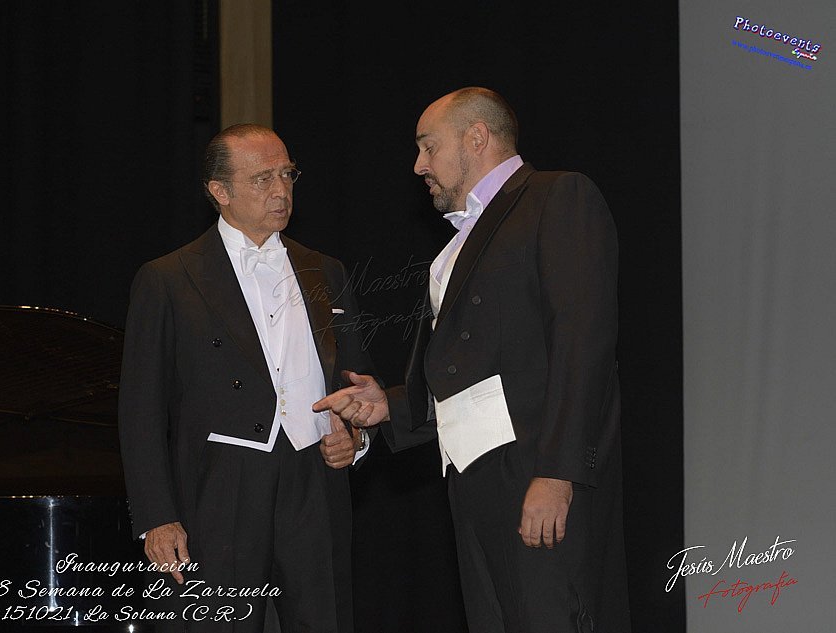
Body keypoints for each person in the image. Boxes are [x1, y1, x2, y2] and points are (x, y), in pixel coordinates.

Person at [314, 88, 630, 632]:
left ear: (477, 137)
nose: (418, 165)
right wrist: (391, 406)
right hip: (474, 479)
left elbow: (583, 345)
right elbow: (469, 369)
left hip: (534, 471)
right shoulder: (459, 241)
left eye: (428, 147)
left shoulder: (557, 197)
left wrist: (557, 473)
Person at [118, 123, 374, 633]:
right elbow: (140, 410)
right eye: (263, 179)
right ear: (220, 191)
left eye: (287, 174)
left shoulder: (325, 270)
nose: (281, 190)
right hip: (219, 485)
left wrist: (356, 436)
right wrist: (156, 516)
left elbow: (355, 382)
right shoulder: (169, 278)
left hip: (314, 479)